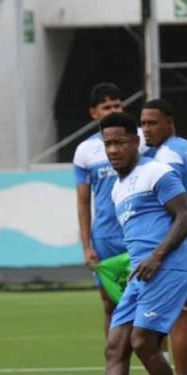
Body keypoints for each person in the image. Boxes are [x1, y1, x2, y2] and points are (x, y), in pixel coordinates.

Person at [57, 112, 187, 375]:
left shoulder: (156, 172)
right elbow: (139, 238)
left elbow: (186, 216)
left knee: (142, 341)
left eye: (120, 141)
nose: (113, 149)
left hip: (170, 268)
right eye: (108, 143)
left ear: (136, 141)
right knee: (115, 345)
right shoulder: (118, 189)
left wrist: (157, 256)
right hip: (142, 273)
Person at [140, 99, 187, 375]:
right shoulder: (184, 147)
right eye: (143, 123)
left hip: (183, 245)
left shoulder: (168, 156)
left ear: (170, 122)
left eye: (153, 123)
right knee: (169, 317)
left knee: (177, 318)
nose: (146, 129)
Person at [73, 84, 134, 336]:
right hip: (106, 237)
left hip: (137, 232)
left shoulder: (139, 142)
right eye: (106, 107)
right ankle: (116, 360)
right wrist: (87, 245)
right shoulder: (85, 151)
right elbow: (83, 201)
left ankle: (158, 359)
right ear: (94, 113)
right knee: (110, 304)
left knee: (149, 303)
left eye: (117, 105)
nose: (113, 110)